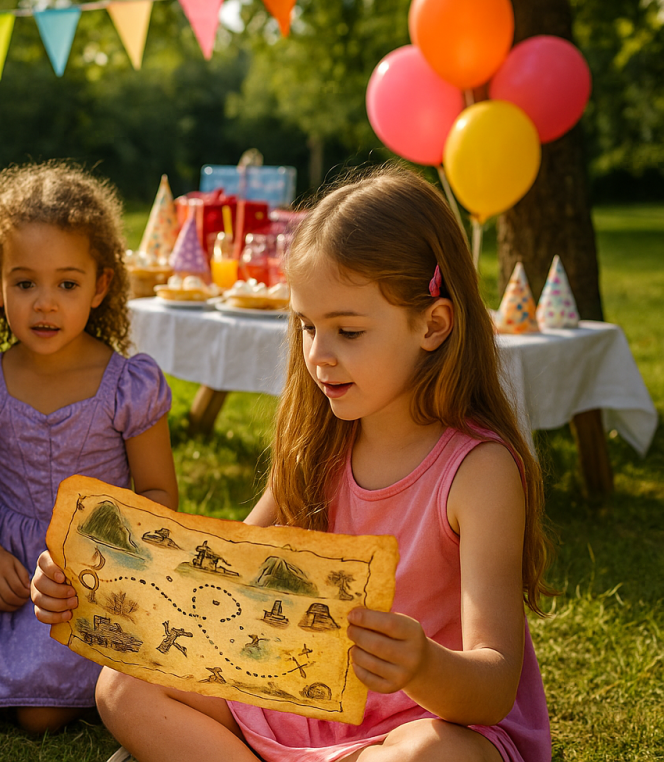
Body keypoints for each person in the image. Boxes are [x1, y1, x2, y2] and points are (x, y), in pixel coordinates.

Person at [32, 165, 553, 762]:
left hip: (421, 725)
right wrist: (90, 581)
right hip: (296, 701)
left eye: (349, 332)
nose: (318, 355)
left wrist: (423, 663)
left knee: (429, 756)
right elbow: (212, 579)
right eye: (307, 326)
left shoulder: (479, 471)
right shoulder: (319, 445)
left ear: (432, 325)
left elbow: (490, 689)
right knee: (121, 686)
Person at [0, 162, 179, 734]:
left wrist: (112, 563)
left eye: (67, 284)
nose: (45, 303)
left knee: (42, 714)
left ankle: (58, 687)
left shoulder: (128, 385)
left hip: (96, 566)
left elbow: (159, 491)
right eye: (25, 283)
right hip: (5, 552)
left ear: (100, 286)